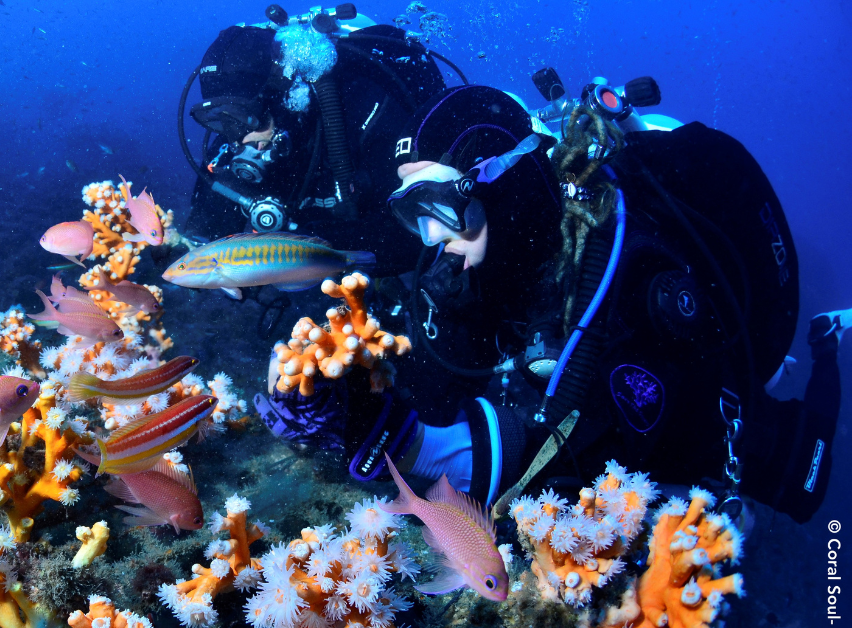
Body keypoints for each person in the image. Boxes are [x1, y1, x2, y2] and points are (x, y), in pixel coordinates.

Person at [257, 84, 839, 525]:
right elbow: (442, 380)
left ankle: (827, 346)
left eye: (438, 205)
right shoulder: (483, 254)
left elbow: (565, 458)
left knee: (738, 460)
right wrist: (355, 386)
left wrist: (405, 443)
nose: (432, 239)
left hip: (689, 369)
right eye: (415, 213)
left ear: (499, 186)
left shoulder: (611, 273)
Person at [179, 8, 452, 277]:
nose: (239, 138)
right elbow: (206, 235)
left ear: (281, 99)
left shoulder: (364, 111)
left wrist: (294, 245)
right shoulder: (234, 142)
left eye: (245, 118)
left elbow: (419, 238)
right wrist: (178, 246)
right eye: (218, 120)